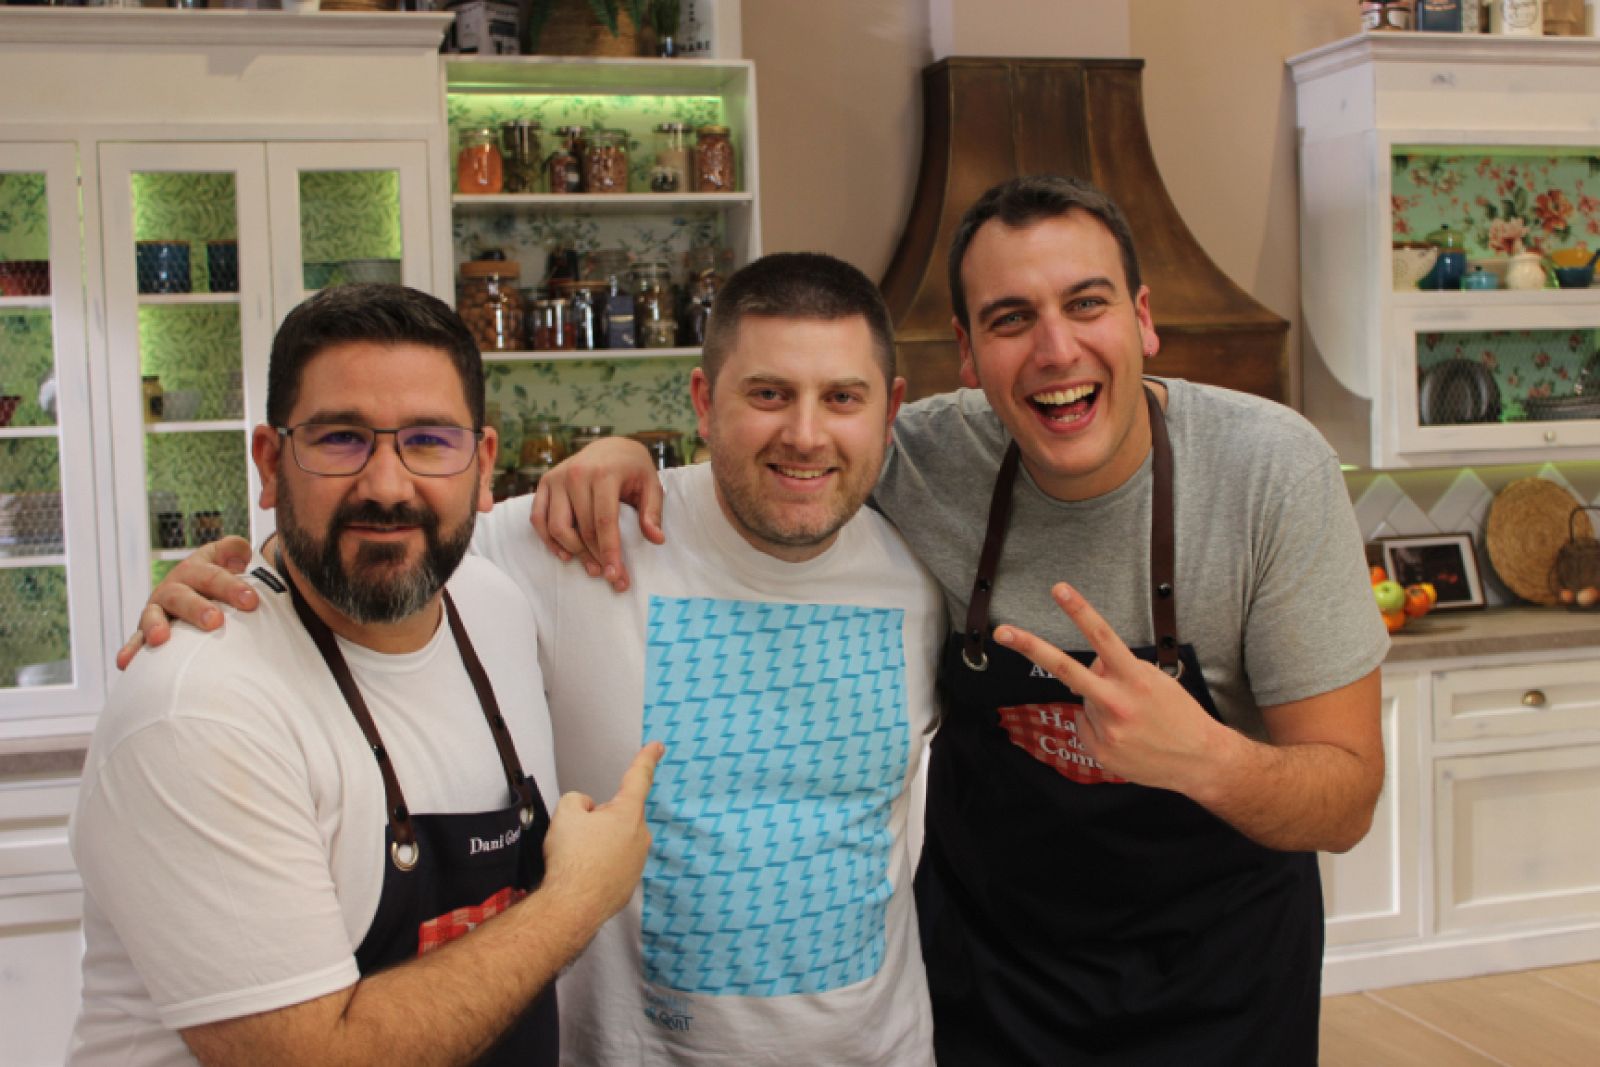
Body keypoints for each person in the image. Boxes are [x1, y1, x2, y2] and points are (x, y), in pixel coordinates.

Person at [499, 176, 1391, 1064]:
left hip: (1217, 983)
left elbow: (1345, 800)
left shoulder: (1268, 472)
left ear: (1143, 318)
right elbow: (783, 452)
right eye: (1010, 319)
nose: (1055, 349)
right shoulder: (920, 455)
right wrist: (613, 455)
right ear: (966, 354)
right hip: (993, 984)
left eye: (1087, 304)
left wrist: (1204, 757)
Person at [122, 255, 945, 1065]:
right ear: (703, 400)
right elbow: (377, 537)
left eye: (842, 397)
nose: (804, 432)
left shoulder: (924, 576)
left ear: (889, 408)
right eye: (768, 394)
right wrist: (233, 585)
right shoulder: (572, 542)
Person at [70, 284, 660, 1067]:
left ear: (482, 467)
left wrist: (628, 452)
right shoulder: (200, 709)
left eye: (429, 439)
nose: (387, 486)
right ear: (271, 464)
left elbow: (647, 489)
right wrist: (577, 899)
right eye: (342, 438)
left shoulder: (492, 597)